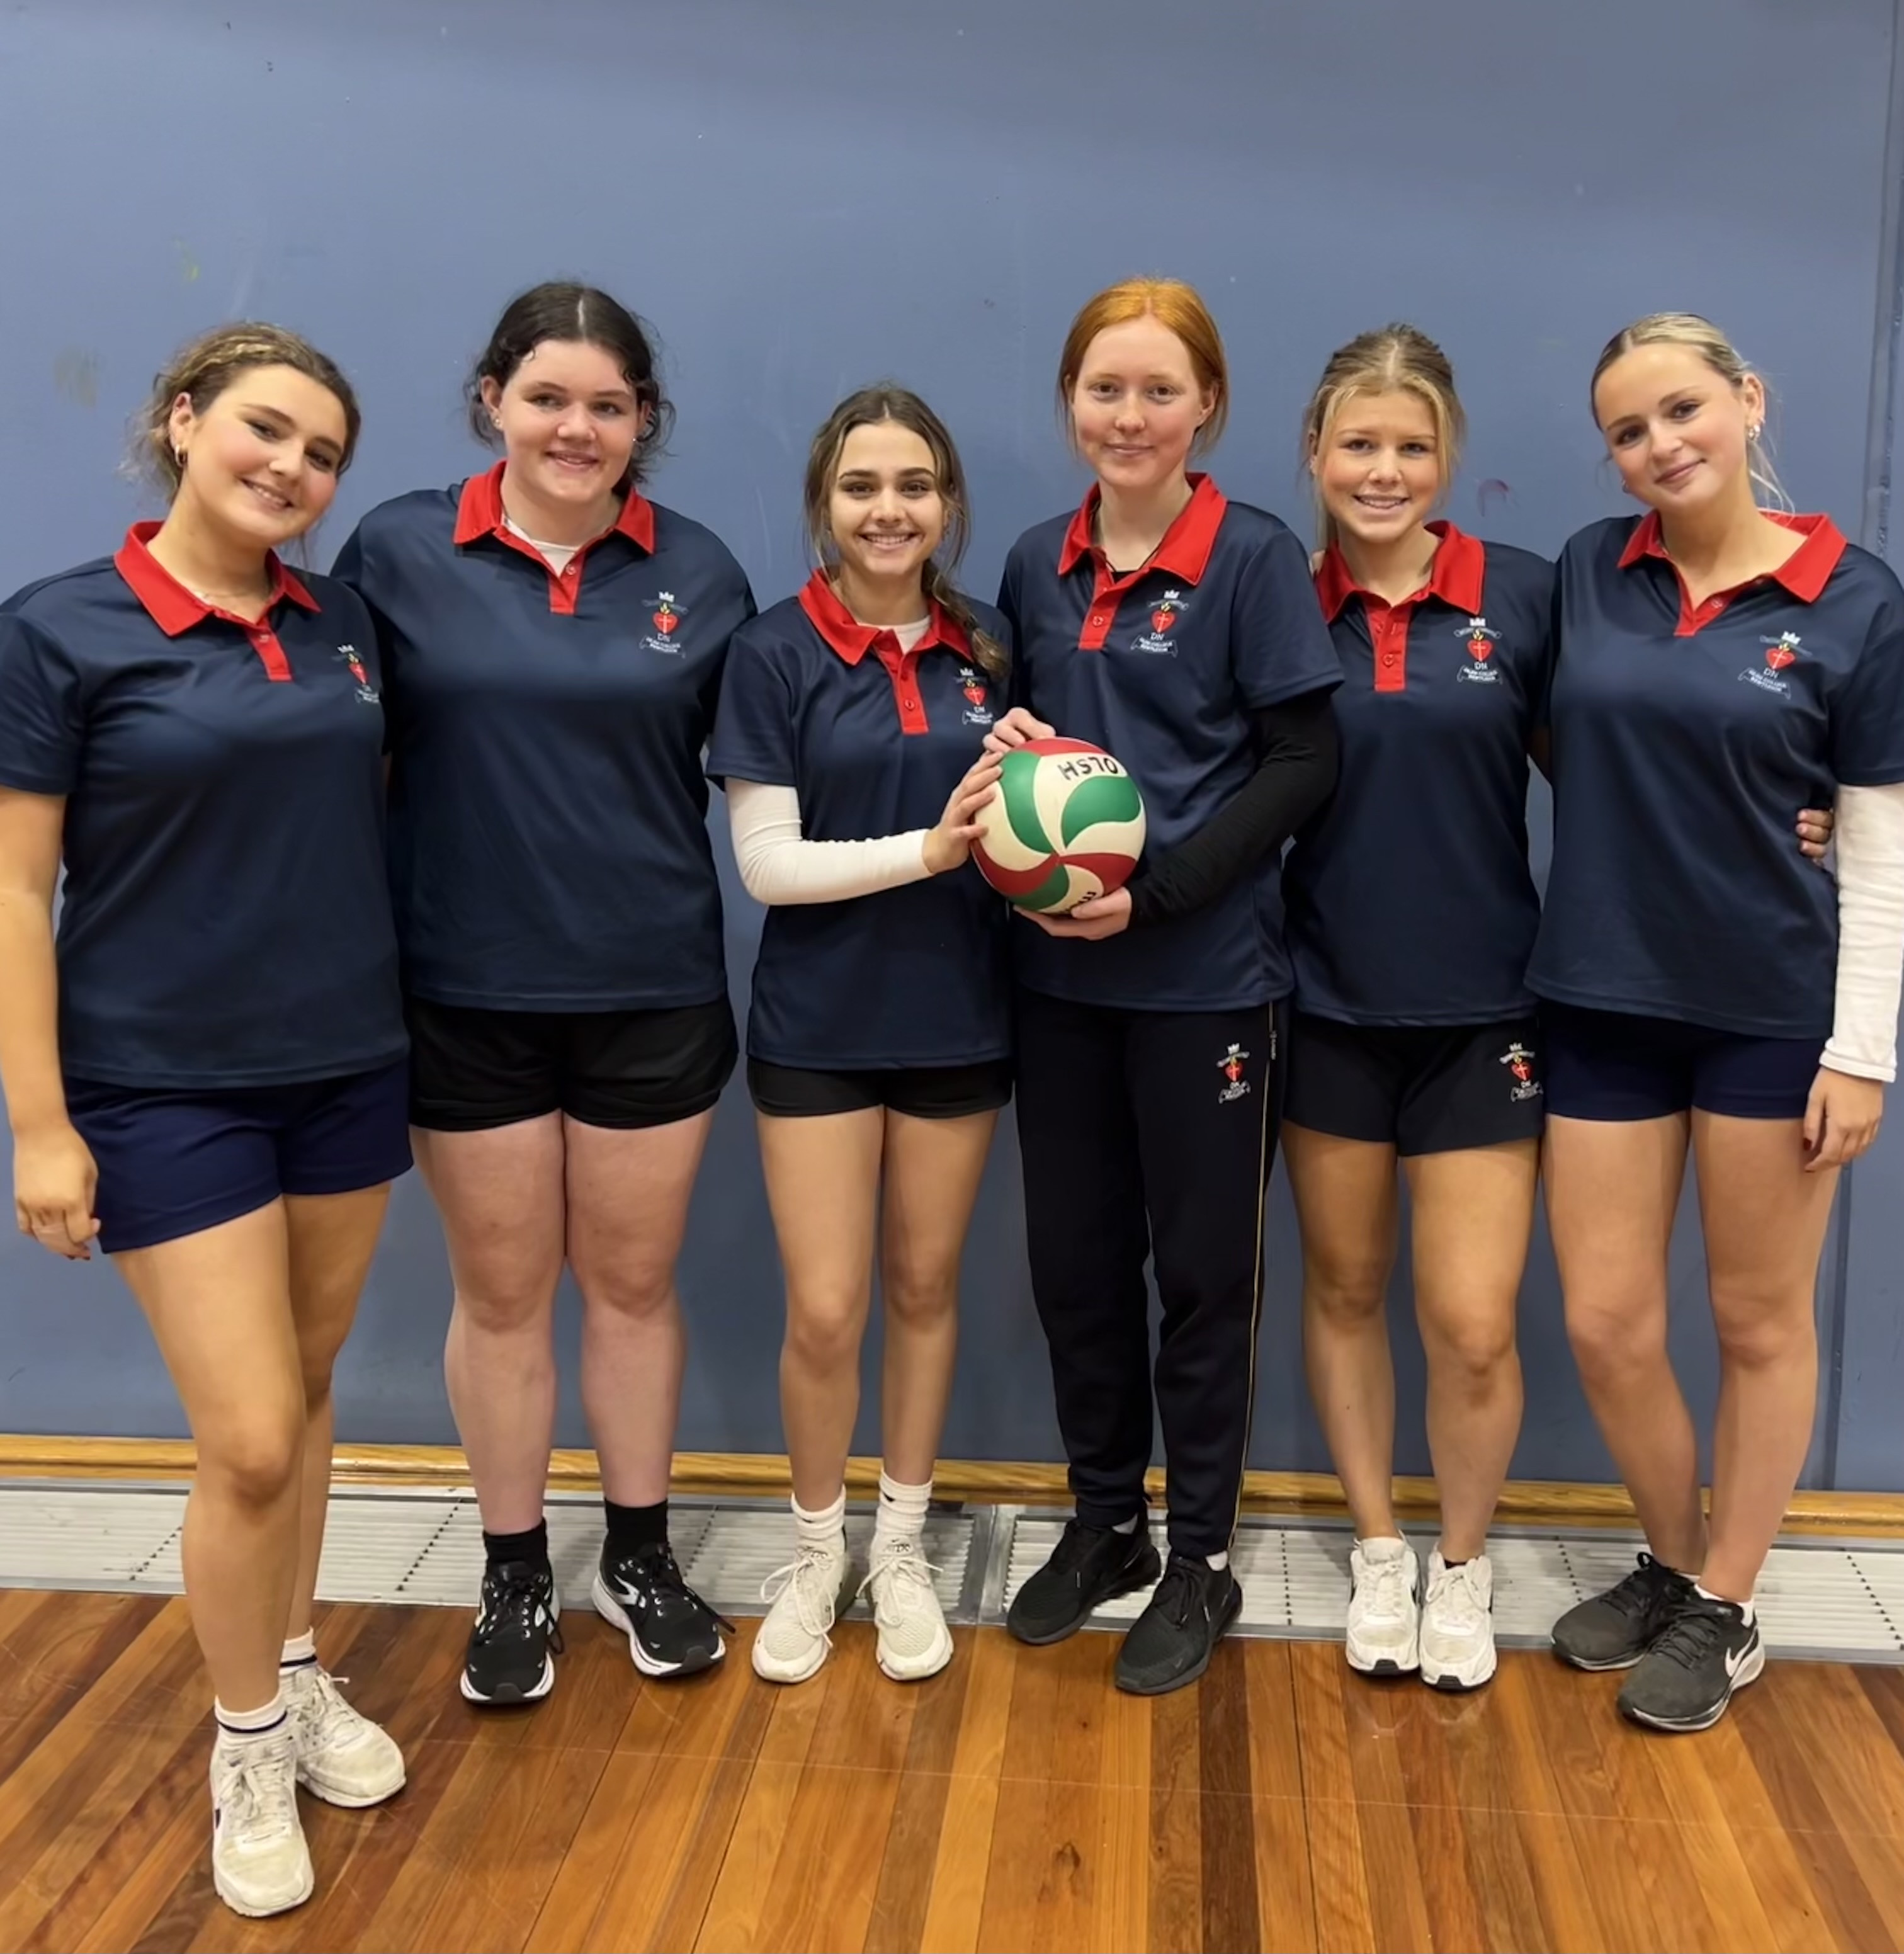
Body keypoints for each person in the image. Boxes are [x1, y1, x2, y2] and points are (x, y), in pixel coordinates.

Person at [0, 325, 409, 1917]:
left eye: (321, 454)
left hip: (345, 1065)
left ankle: (293, 1669)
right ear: (182, 422)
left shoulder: (341, 625)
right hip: (160, 1084)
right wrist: (41, 1123)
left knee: (304, 1395)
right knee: (243, 1438)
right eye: (264, 430)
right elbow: (16, 889)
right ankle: (244, 1744)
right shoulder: (60, 629)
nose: (290, 468)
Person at [332, 283, 754, 1705]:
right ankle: (514, 1570)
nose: (578, 428)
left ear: (645, 421)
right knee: (502, 1297)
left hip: (652, 988)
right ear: (493, 401)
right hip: (465, 991)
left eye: (609, 406)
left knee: (631, 1288)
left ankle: (639, 1556)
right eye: (549, 398)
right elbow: (341, 758)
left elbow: (781, 762)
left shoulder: (701, 569)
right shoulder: (398, 550)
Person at [1533, 312, 1904, 1732]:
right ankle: (1677, 1562)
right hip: (1602, 997)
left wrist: (1860, 1053)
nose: (1659, 446)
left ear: (1747, 401)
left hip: (1771, 1014)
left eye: (1682, 410)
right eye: (1627, 431)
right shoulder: (1591, 570)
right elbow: (1557, 736)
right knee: (1608, 1321)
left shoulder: (1856, 599)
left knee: (1756, 1320)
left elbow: (1879, 851)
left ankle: (1731, 1604)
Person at [989, 278, 1342, 1695]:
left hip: (1206, 980)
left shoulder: (1251, 558)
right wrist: (1007, 770)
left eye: (1157, 390)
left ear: (1208, 406)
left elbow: (1305, 762)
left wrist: (1165, 892)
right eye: (1103, 388)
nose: (1127, 416)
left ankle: (1200, 1552)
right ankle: (1106, 1524)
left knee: (1203, 1280)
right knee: (1076, 1270)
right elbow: (1027, 750)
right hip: (1057, 978)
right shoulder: (1036, 561)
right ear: (1069, 401)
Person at [707, 386, 1009, 1685]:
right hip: (819, 1026)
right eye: (862, 486)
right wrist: (931, 850)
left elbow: (1033, 815)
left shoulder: (990, 644)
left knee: (925, 1290)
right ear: (824, 504)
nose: (890, 510)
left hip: (960, 1016)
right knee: (827, 1310)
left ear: (948, 502)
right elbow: (768, 868)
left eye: (915, 485)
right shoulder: (772, 652)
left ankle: (900, 1549)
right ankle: (817, 1552)